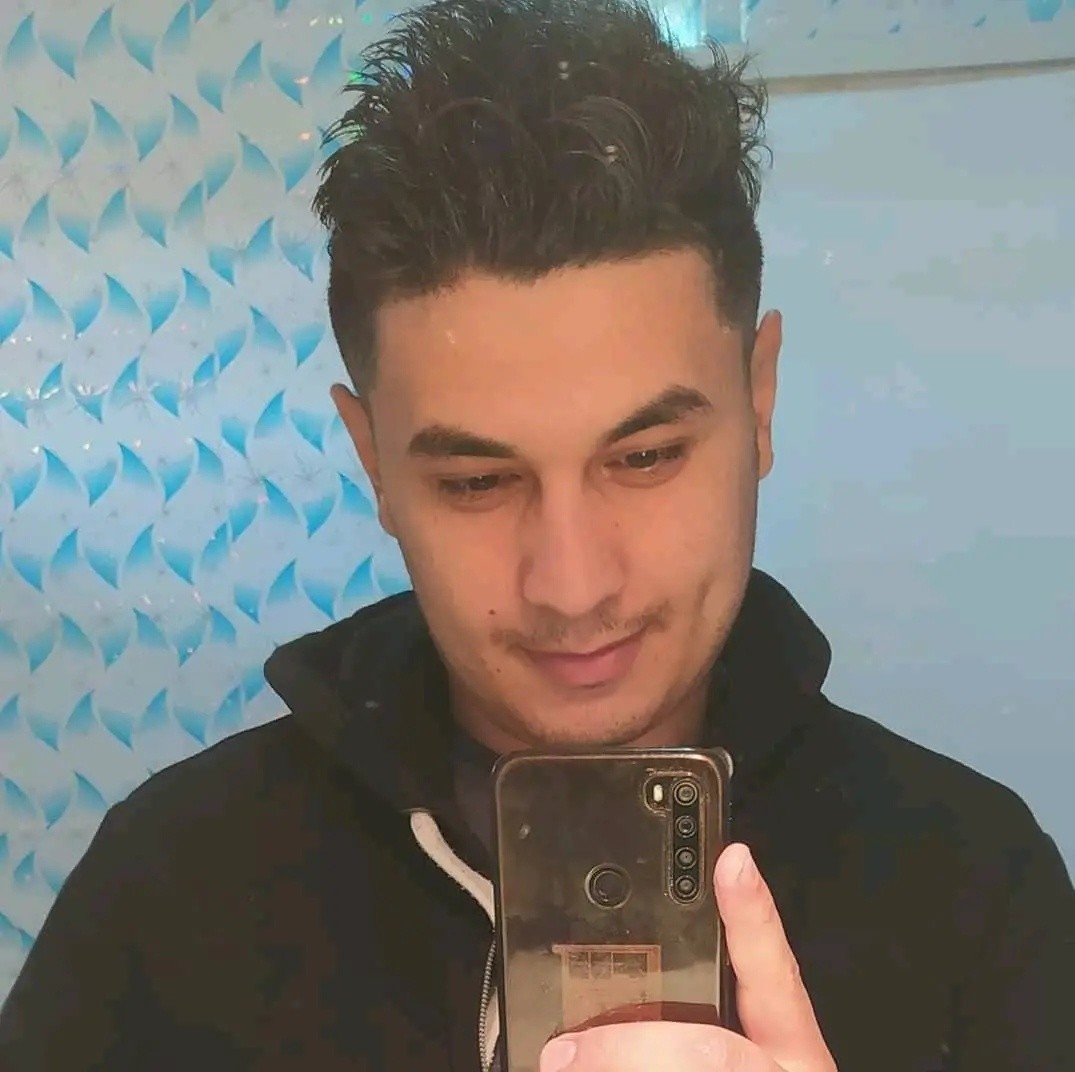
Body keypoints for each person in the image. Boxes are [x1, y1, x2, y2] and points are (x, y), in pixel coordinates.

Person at [2, 0, 1072, 1068]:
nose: (572, 585)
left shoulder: (976, 890)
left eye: (645, 457)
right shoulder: (171, 889)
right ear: (372, 462)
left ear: (759, 404)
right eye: (477, 480)